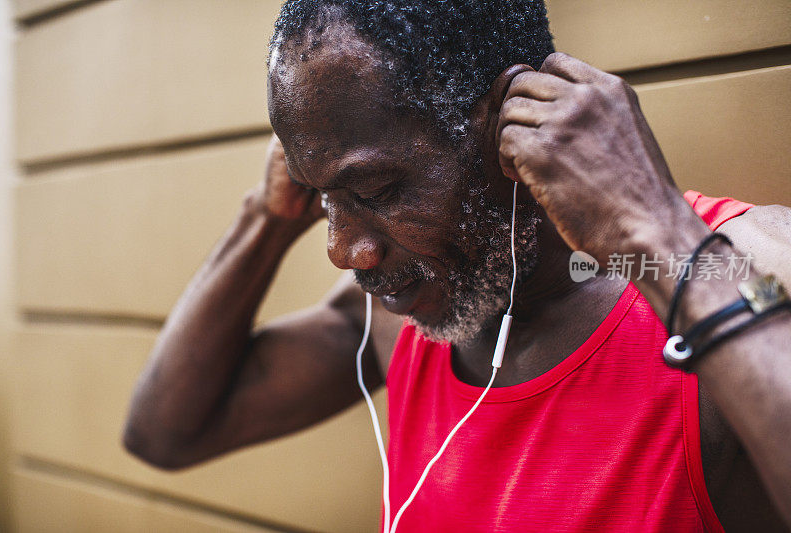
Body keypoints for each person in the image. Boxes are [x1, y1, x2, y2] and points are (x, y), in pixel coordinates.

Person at [123, 1, 791, 531]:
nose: (344, 249)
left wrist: (655, 228)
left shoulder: (749, 264)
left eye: (377, 191)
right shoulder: (401, 321)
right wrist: (265, 219)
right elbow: (167, 431)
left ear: (507, 121)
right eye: (325, 198)